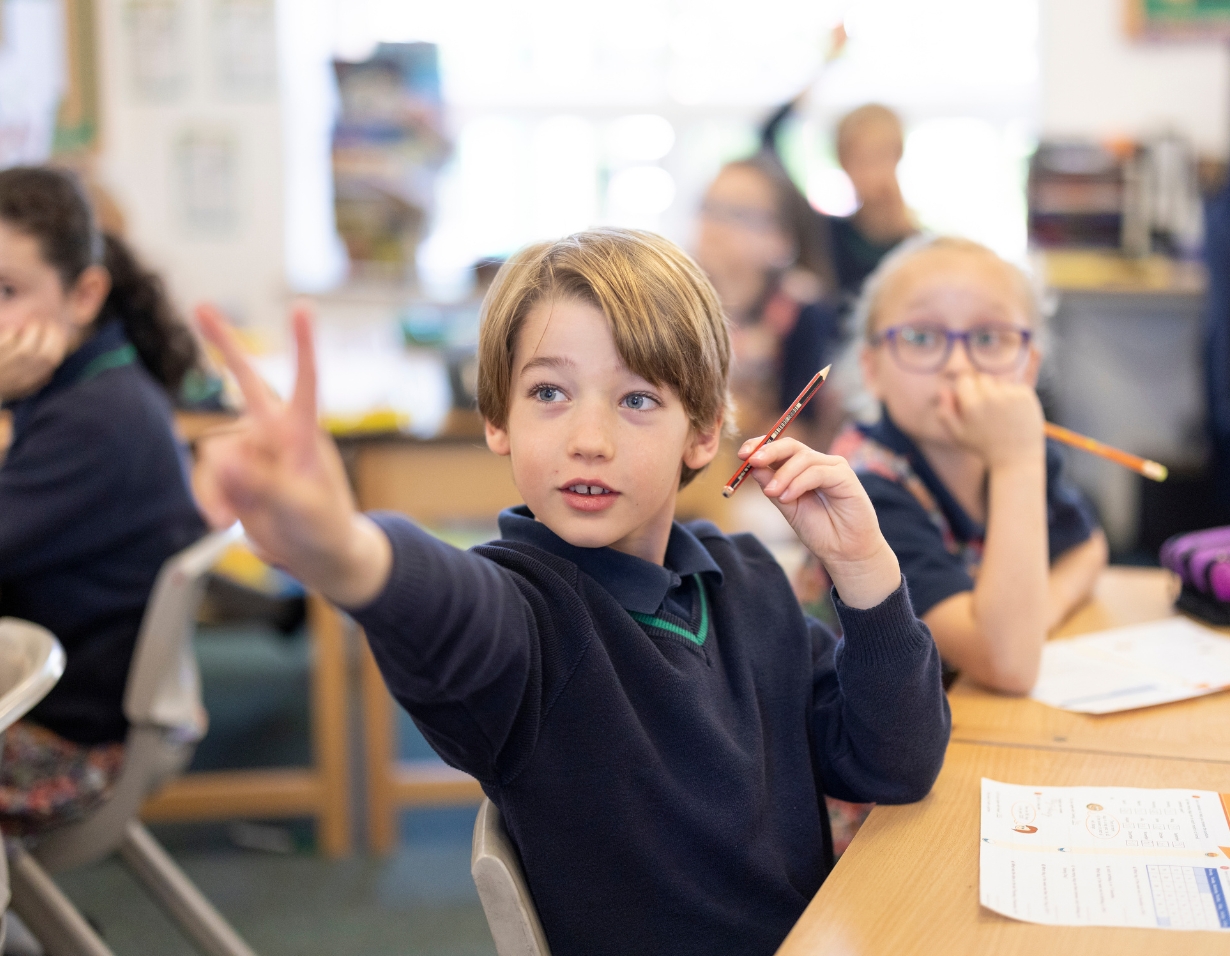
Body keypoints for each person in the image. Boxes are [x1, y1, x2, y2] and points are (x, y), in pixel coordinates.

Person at [192, 228, 950, 956]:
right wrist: (344, 548)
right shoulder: (527, 613)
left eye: (637, 400)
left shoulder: (748, 583)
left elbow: (894, 763)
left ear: (704, 432)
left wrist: (865, 568)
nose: (589, 437)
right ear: (498, 419)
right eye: (550, 392)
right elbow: (446, 606)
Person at [0, 166, 206, 832]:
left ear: (85, 295)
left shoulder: (93, 420)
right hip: (73, 696)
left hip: (72, 739)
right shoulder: (89, 386)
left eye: (6, 290)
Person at [831, 235, 1108, 695]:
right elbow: (1007, 664)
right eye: (921, 337)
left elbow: (1087, 548)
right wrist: (1016, 462)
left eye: (987, 338)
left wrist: (1034, 616)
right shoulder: (865, 489)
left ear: (1028, 368)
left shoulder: (1014, 449)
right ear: (871, 369)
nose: (959, 365)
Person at [695, 152, 844, 449]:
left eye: (737, 214)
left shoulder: (802, 311)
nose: (715, 227)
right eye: (709, 208)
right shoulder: (681, 304)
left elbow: (803, 431)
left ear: (782, 239)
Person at [826, 104, 917, 301]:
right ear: (842, 162)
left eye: (880, 155)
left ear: (897, 156)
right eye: (859, 158)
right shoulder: (823, 235)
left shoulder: (917, 245)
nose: (871, 172)